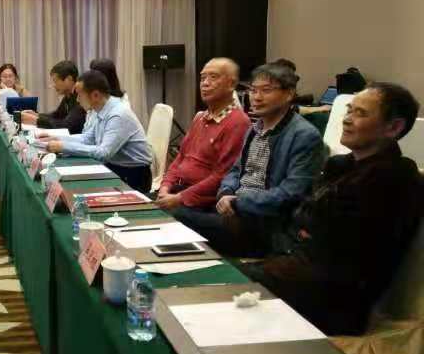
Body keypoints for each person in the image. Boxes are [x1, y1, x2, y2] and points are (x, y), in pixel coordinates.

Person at [240, 83, 422, 335]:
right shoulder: (341, 165)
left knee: (222, 285)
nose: (346, 119)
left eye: (360, 113)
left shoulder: (395, 177)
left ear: (393, 127)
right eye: (349, 110)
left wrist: (302, 230)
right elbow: (304, 224)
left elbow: (335, 253)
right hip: (295, 268)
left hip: (332, 301)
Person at [176, 62, 323, 256]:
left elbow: (290, 193)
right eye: (253, 90)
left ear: (289, 94)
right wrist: (226, 193)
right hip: (236, 210)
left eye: (266, 90)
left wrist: (238, 202)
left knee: (178, 217)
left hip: (265, 224)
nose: (256, 97)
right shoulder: (255, 128)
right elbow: (236, 170)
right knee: (178, 210)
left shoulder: (304, 135)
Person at [157, 58, 251, 211]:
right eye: (202, 78)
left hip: (201, 202)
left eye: (213, 77)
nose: (205, 83)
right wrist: (164, 188)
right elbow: (180, 158)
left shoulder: (238, 122)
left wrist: (179, 198)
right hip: (177, 190)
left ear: (231, 84)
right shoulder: (201, 117)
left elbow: (221, 175)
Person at [46, 70, 153, 193]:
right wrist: (57, 139)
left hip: (133, 175)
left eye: (80, 95)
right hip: (115, 166)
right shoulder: (102, 108)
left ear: (95, 95)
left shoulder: (117, 114)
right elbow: (88, 138)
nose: (77, 100)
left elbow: (103, 153)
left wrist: (64, 147)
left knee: (77, 188)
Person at [21, 60, 86, 134]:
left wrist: (36, 120)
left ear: (68, 79)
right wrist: (37, 115)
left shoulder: (80, 97)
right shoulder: (68, 96)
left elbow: (67, 126)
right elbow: (56, 115)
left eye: (55, 81)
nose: (53, 85)